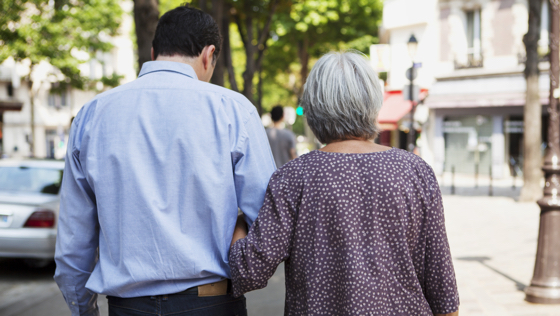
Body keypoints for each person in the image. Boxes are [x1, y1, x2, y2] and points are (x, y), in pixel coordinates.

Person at [54, 5, 276, 316]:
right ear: (209, 54)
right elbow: (268, 218)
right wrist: (238, 233)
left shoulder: (92, 115)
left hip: (126, 307)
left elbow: (73, 243)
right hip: (213, 303)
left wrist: (84, 310)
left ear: (154, 50)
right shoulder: (233, 110)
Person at [228, 52, 460, 316]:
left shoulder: (294, 177)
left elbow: (249, 271)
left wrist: (240, 218)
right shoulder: (415, 172)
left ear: (314, 107)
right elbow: (443, 292)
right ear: (373, 101)